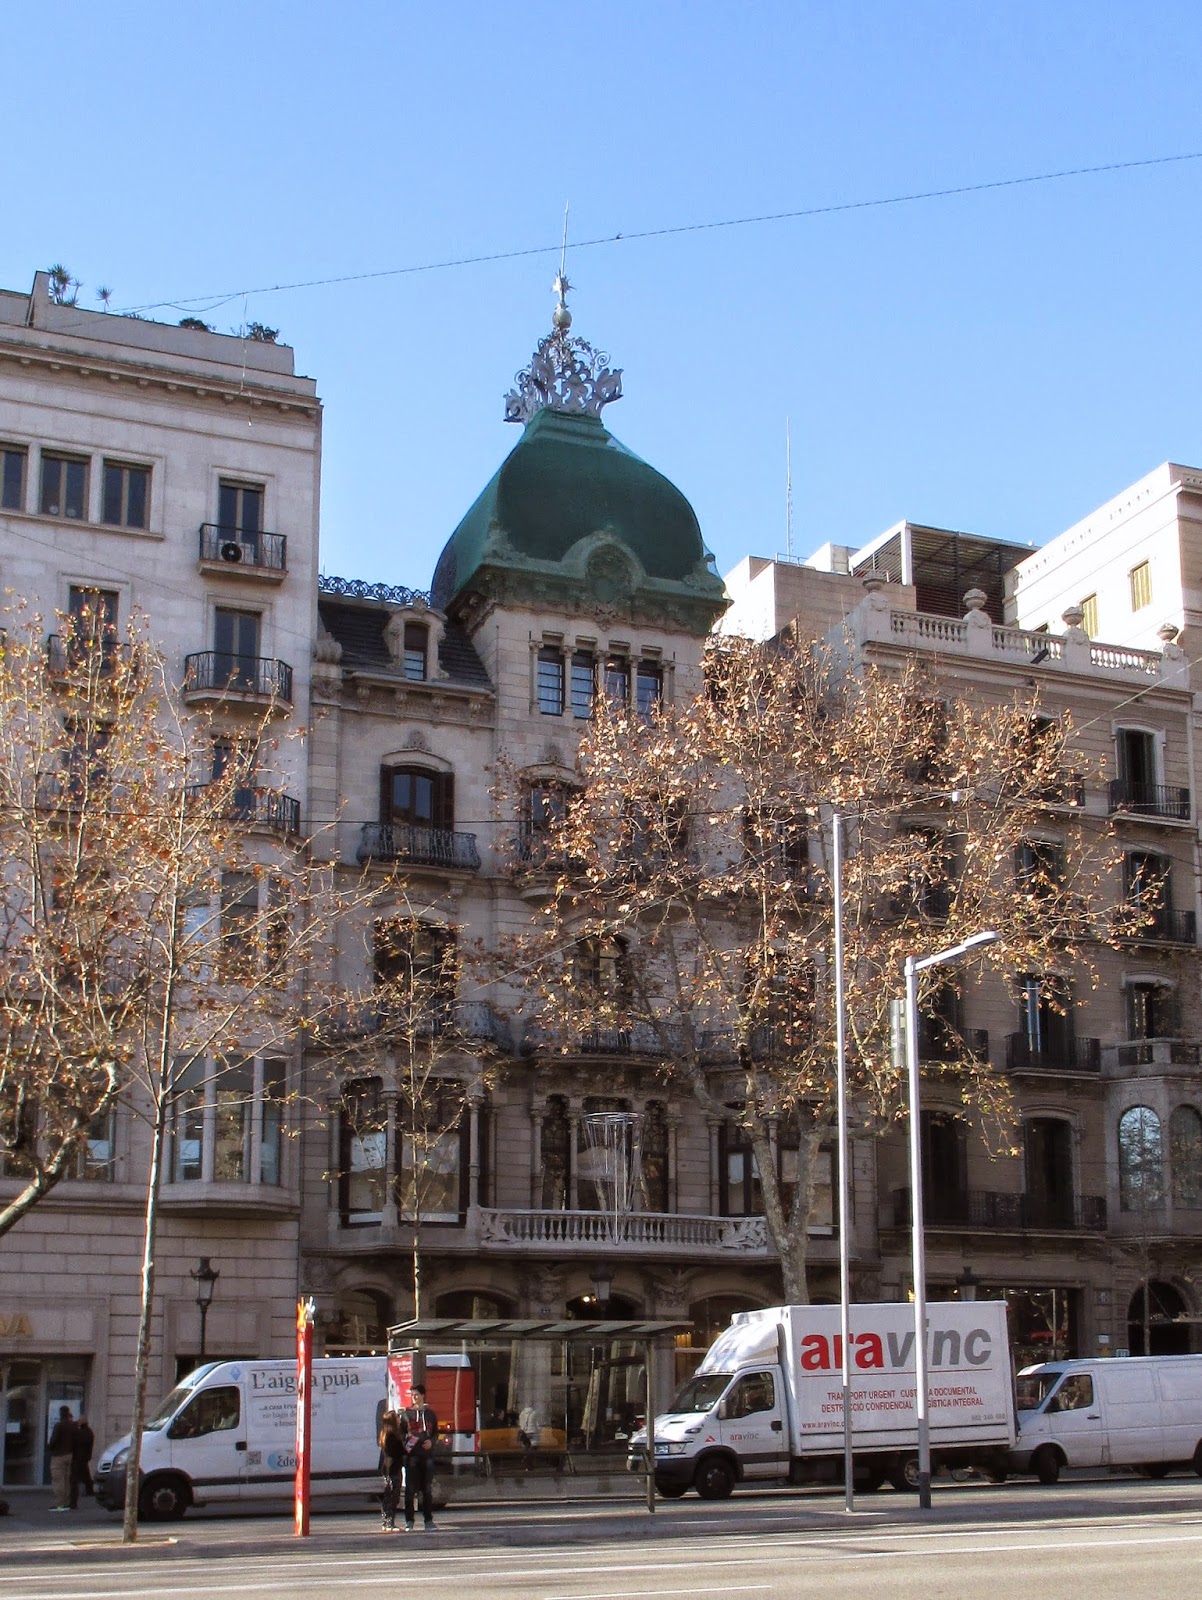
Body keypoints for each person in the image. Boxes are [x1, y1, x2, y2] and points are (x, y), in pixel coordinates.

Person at [401, 1383, 439, 1531]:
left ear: (423, 1395)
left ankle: (428, 1520)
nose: (414, 1397)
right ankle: (409, 1521)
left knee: (427, 1489)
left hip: (427, 1455)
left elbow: (435, 1433)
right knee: (410, 1490)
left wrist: (432, 1442)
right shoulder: (406, 1414)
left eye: (416, 1394)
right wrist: (407, 1441)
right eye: (412, 1395)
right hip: (412, 1456)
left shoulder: (430, 1414)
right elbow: (402, 1433)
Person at [377, 1410, 405, 1532]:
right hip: (394, 1468)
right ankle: (389, 1522)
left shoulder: (385, 1434)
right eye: (397, 1418)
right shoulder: (392, 1436)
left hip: (388, 1468)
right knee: (393, 1496)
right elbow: (399, 1451)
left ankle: (386, 1521)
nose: (399, 1419)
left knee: (388, 1495)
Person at [47, 1406, 76, 1511]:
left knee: (58, 1480)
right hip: (70, 1454)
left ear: (60, 1414)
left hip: (58, 1455)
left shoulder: (59, 1426)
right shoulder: (73, 1426)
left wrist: (50, 1447)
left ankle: (59, 1504)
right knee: (67, 1480)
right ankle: (67, 1502)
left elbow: (54, 1440)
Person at [68, 1412, 95, 1509]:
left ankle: (73, 1501)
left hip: (78, 1458)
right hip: (84, 1457)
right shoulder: (89, 1432)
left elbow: (76, 1443)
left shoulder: (81, 1432)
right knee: (85, 1475)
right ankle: (89, 1490)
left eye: (79, 1421)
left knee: (75, 1479)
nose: (77, 1422)